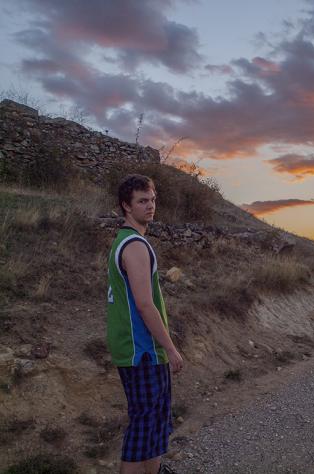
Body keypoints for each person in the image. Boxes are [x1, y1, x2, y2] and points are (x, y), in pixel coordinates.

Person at [106, 174, 183, 474]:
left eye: (152, 199)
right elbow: (144, 304)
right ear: (126, 206)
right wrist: (171, 348)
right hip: (142, 350)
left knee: (155, 421)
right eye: (142, 201)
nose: (150, 206)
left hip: (139, 349)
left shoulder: (124, 241)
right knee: (143, 425)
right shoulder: (134, 245)